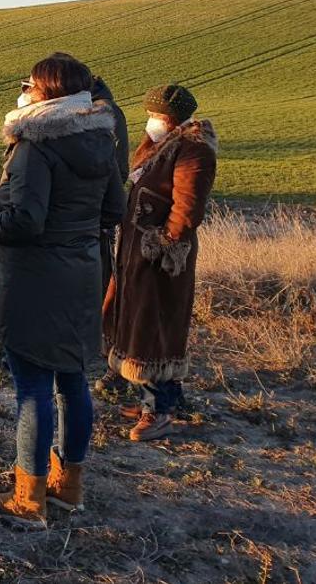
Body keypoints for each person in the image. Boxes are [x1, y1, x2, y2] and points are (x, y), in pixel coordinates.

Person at [0, 53, 125, 529]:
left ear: (43, 93)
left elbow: (25, 220)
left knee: (34, 389)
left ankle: (29, 497)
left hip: (36, 279)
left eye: (29, 85)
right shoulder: (102, 137)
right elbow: (114, 211)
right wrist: (80, 238)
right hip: (83, 273)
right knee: (73, 382)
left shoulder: (34, 146)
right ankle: (69, 487)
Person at [103, 85, 217, 442]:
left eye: (153, 114)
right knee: (142, 321)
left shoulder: (192, 151)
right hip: (138, 250)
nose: (149, 120)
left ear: (168, 117)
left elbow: (187, 208)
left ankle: (159, 411)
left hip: (161, 258)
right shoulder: (163, 146)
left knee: (155, 326)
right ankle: (162, 399)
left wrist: (163, 245)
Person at [90, 73, 132, 395]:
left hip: (97, 218)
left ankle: (109, 354)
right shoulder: (102, 108)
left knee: (102, 284)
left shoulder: (104, 112)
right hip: (99, 214)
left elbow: (113, 169)